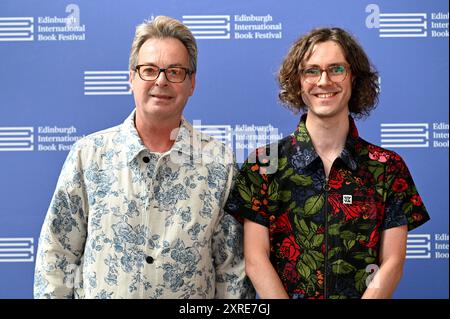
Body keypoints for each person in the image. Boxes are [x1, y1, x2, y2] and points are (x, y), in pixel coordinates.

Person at [34, 15, 254, 299]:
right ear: (131, 78)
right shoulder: (88, 156)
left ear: (192, 83)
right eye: (149, 70)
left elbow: (232, 271)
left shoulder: (219, 164)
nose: (161, 81)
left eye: (174, 71)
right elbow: (57, 254)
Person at [225, 27, 430, 299]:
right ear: (298, 81)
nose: (324, 81)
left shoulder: (387, 167)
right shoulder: (264, 164)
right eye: (311, 71)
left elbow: (392, 263)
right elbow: (255, 259)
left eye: (336, 69)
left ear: (353, 78)